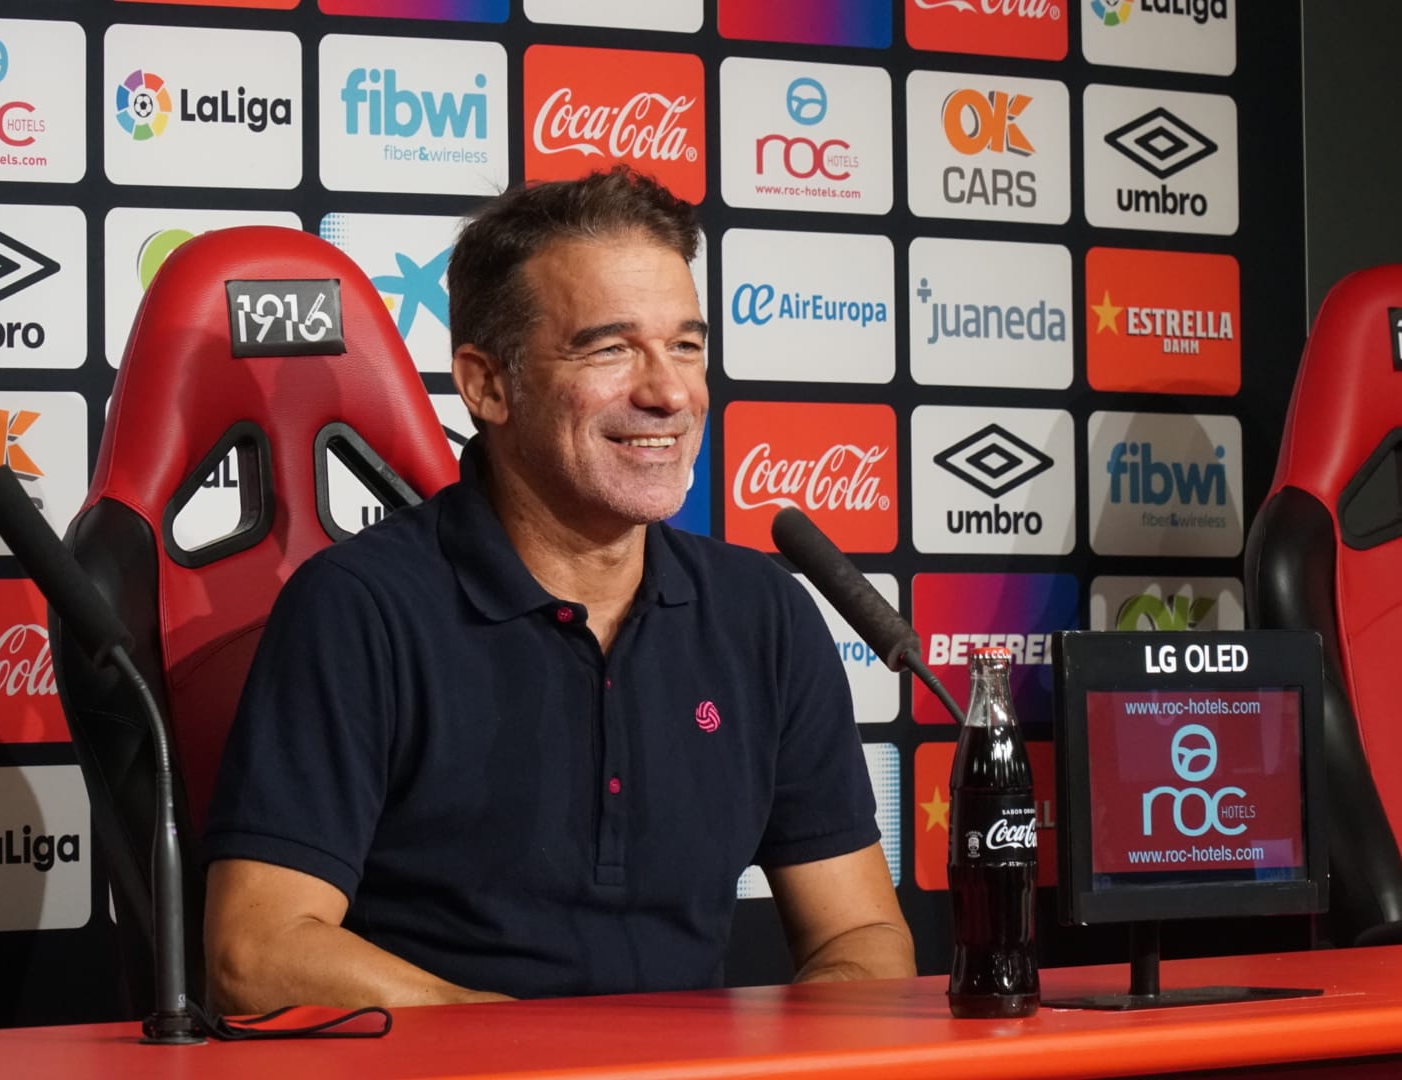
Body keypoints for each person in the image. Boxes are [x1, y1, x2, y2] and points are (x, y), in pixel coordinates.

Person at [200, 166, 914, 1012]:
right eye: (610, 349)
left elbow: (861, 937)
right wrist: (532, 1052)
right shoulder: (359, 609)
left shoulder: (763, 616)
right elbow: (256, 953)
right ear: (486, 385)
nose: (668, 392)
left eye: (685, 345)